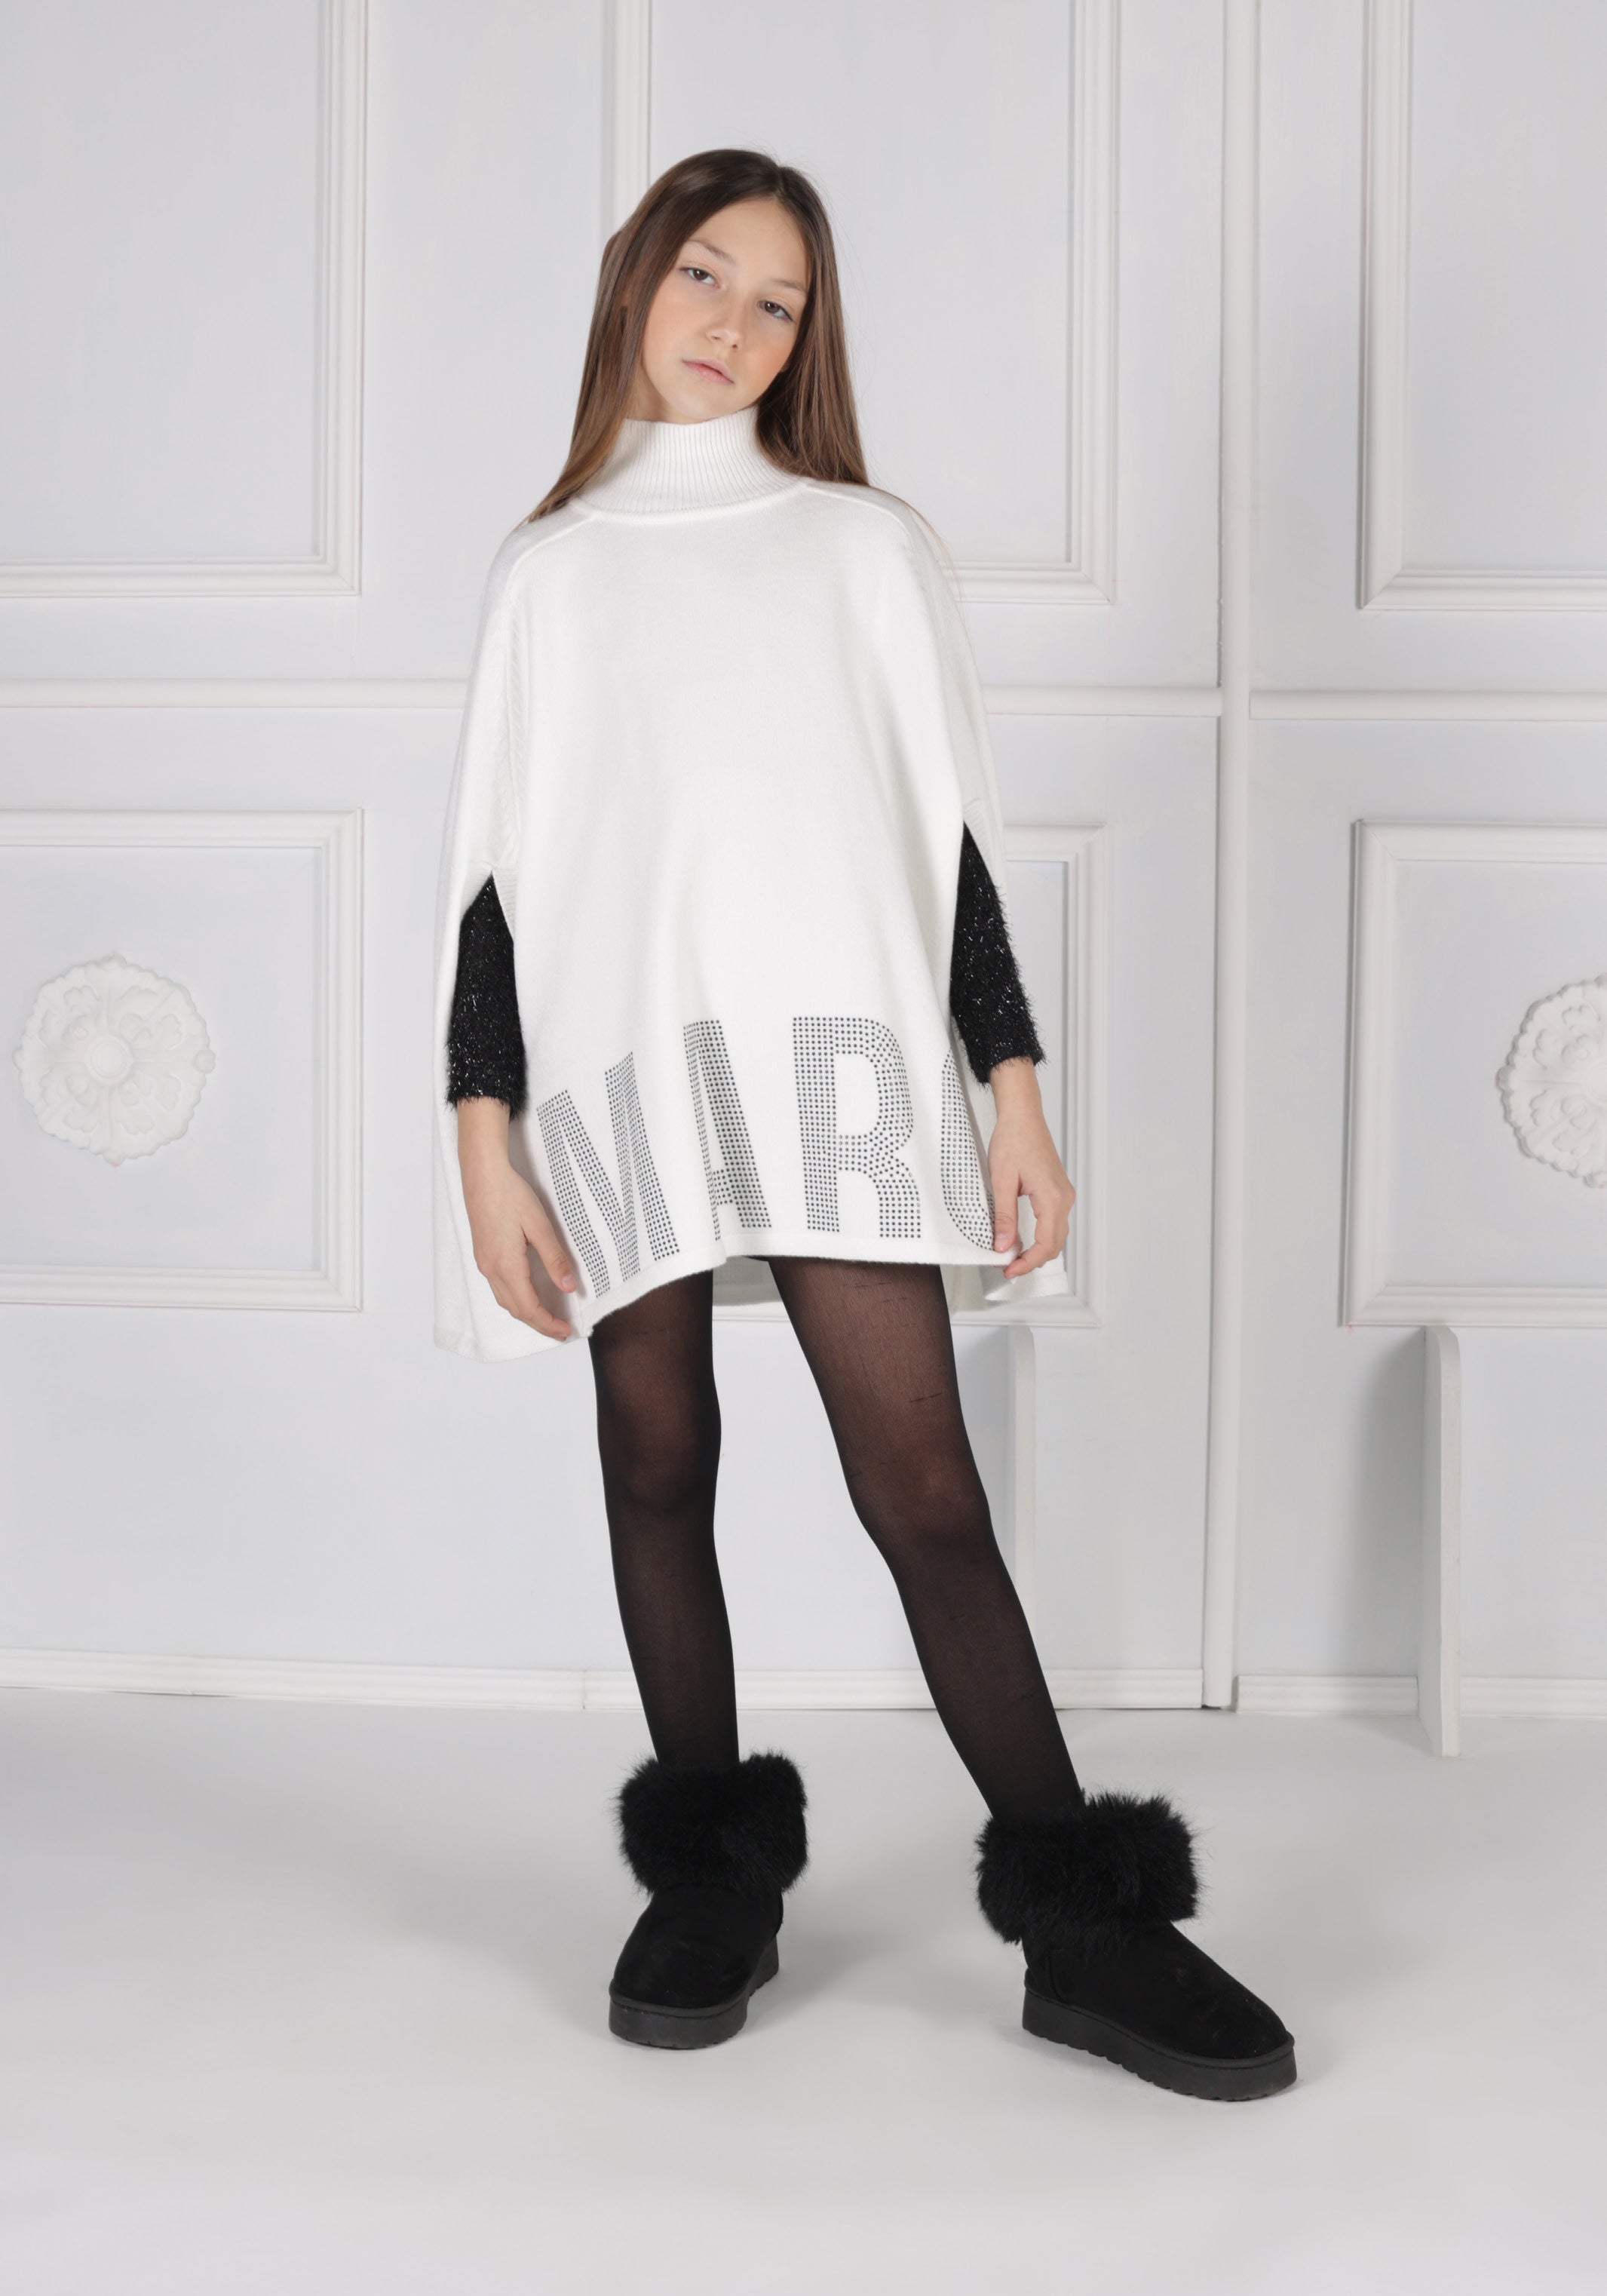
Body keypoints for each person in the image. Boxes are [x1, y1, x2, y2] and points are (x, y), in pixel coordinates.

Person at [432, 149, 1294, 2101]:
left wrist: (1014, 1093)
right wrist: (483, 1139)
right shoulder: (549, 571)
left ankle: (1089, 1928)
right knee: (654, 1455)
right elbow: (490, 885)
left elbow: (950, 846)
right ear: (633, 275)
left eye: (779, 304)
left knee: (921, 1484)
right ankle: (714, 1877)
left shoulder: (862, 546)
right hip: (618, 1071)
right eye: (705, 274)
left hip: (835, 1061)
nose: (733, 325)